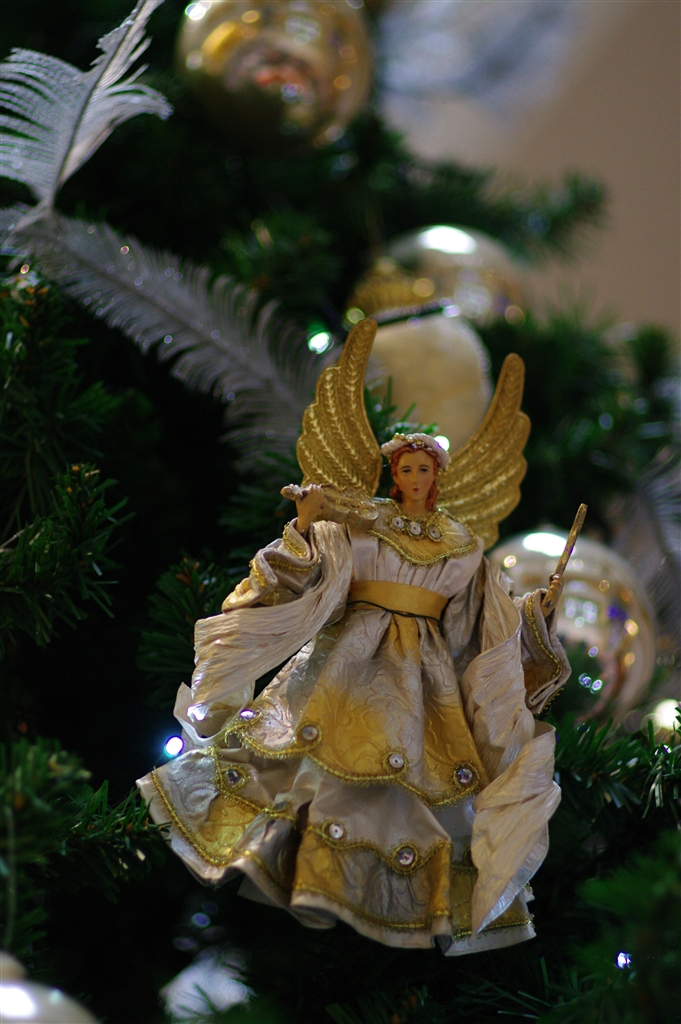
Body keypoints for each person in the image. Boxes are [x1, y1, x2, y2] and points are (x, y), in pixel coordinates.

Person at [138, 412, 570, 954]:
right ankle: (306, 868)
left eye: (424, 470)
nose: (415, 478)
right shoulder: (363, 520)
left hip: (426, 675)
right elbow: (306, 567)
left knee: (419, 773)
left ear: (437, 476)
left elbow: (487, 619)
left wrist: (537, 612)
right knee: (312, 751)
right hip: (347, 655)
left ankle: (391, 888)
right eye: (406, 469)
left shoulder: (461, 543)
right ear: (395, 475)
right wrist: (305, 521)